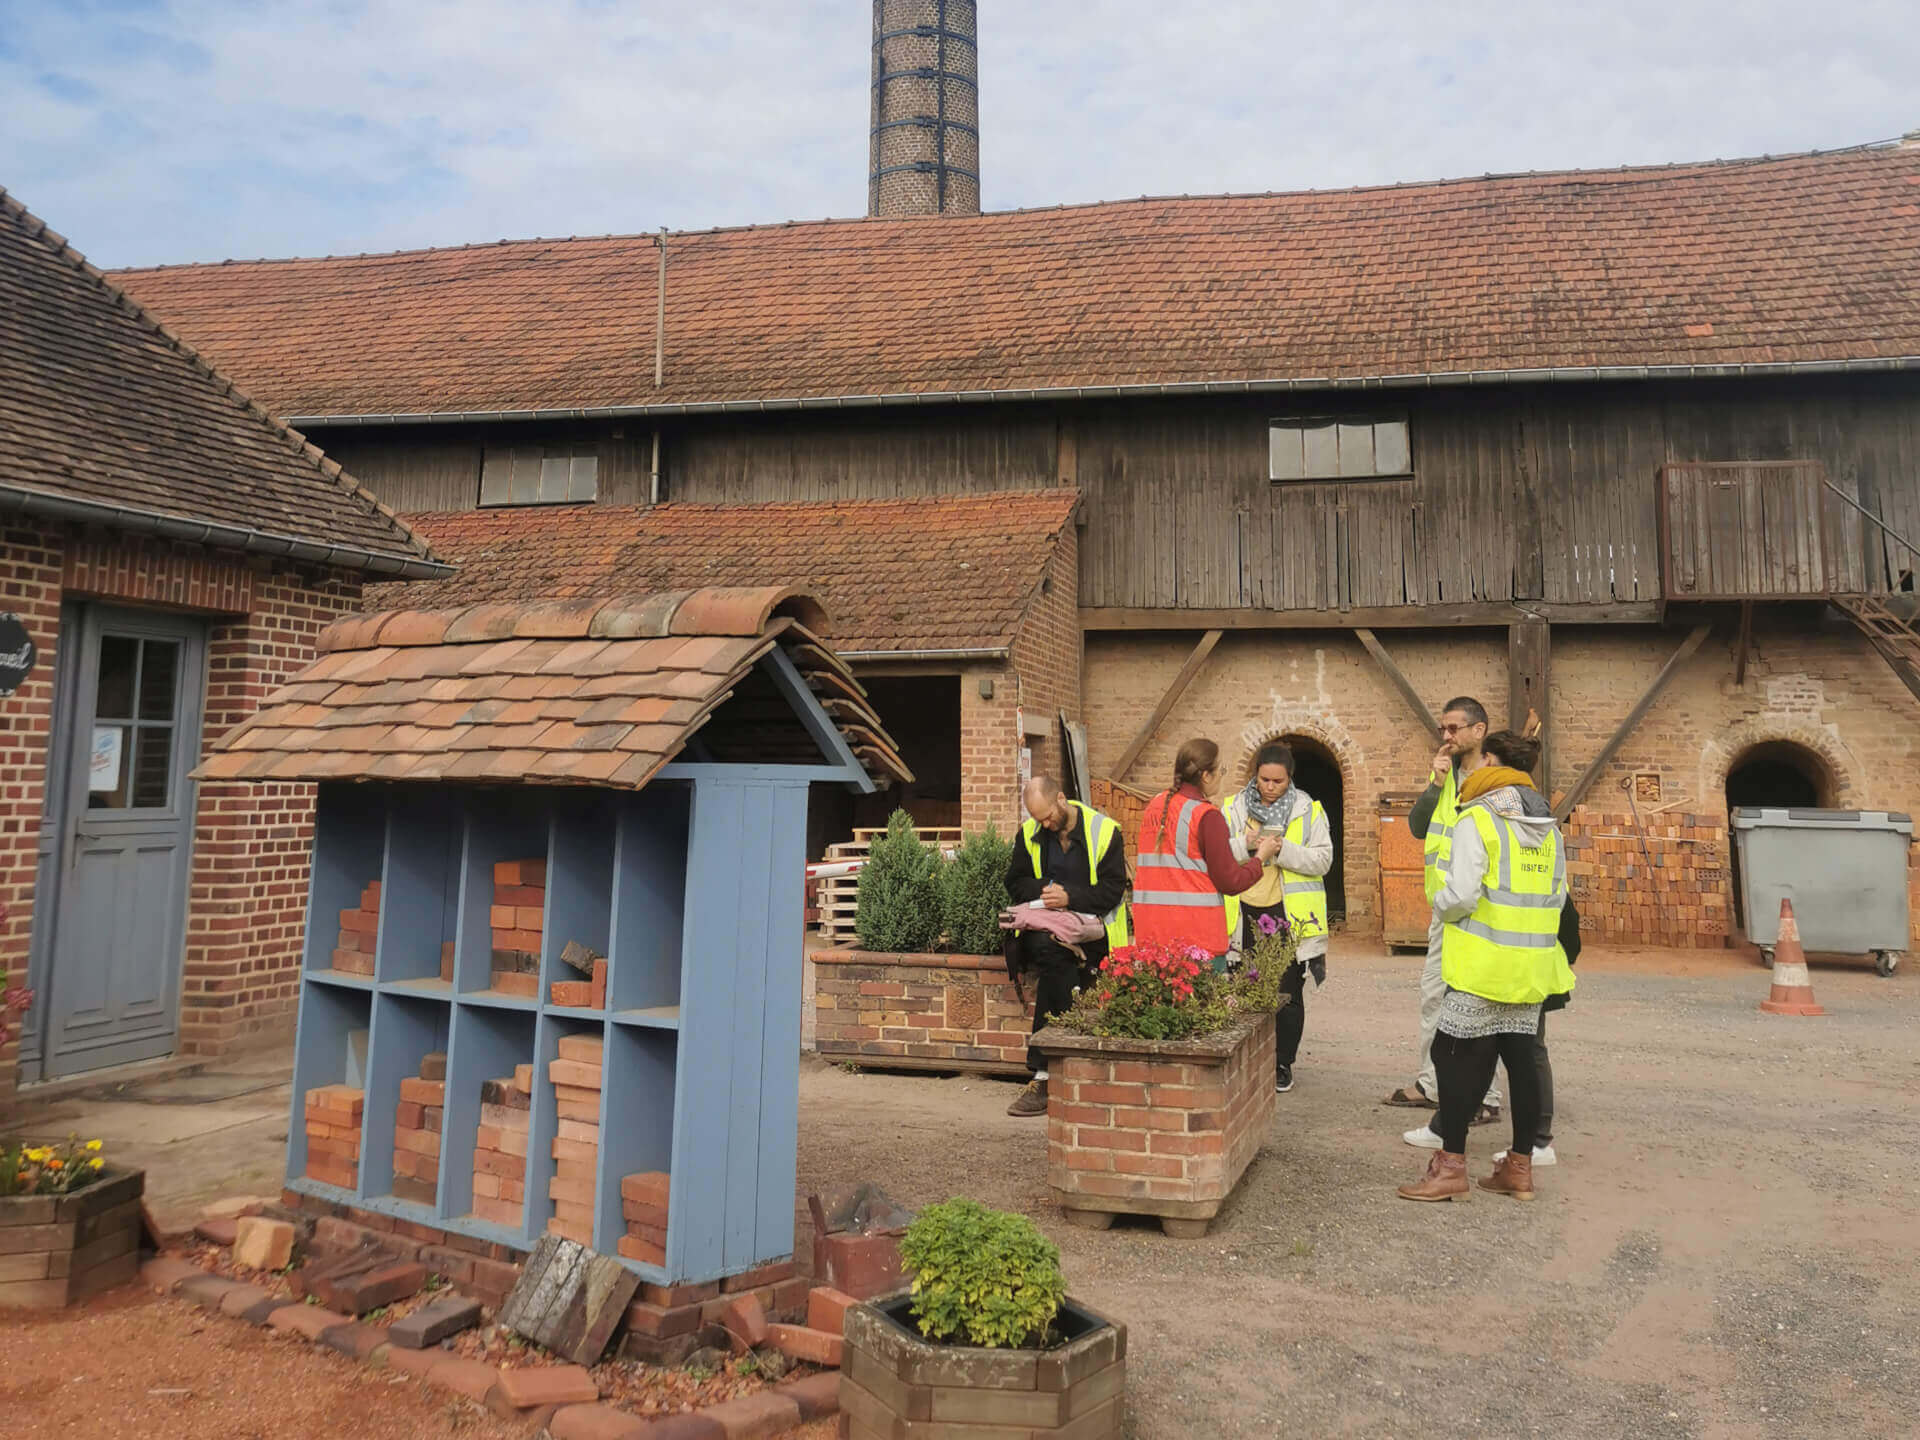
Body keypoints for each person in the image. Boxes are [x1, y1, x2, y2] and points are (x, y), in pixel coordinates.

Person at [1398, 732, 1574, 1202]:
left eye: (1477, 763)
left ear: (1491, 766)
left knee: (1452, 1060)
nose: (1469, 770)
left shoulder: (1479, 818)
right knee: (1522, 1062)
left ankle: (1450, 1166)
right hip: (1532, 968)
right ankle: (1519, 1168)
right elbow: (1558, 897)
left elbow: (1459, 895)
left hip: (1482, 966)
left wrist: (1437, 901)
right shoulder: (1547, 826)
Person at [1387, 696, 1504, 1145]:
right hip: (1445, 909)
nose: (1447, 736)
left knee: (1478, 1003)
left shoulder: (1495, 777)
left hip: (1484, 909)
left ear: (1479, 731)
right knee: (1434, 995)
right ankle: (1432, 1083)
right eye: (1443, 729)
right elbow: (1419, 827)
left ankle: (1486, 1096)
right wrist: (1435, 785)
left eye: (1455, 728)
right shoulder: (1445, 775)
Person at [1002, 776, 1130, 1117]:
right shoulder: (1029, 833)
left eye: (1047, 816)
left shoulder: (1105, 832)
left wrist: (1070, 897)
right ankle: (1047, 1071)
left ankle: (1045, 1074)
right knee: (1052, 952)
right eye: (1037, 818)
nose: (1043, 824)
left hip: (1094, 931)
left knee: (1058, 962)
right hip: (1047, 932)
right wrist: (1048, 890)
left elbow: (1113, 890)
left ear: (1061, 799)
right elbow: (1014, 882)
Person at [1221, 742, 1332, 1093]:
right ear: (1255, 776)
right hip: (1241, 911)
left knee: (1286, 992)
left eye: (1278, 782)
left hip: (1285, 914)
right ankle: (1246, 1060)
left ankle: (1282, 1062)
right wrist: (1247, 843)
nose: (1270, 787)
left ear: (1290, 780)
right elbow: (1219, 855)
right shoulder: (1232, 807)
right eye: (1264, 780)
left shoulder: (1309, 810)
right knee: (1239, 989)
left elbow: (1323, 860)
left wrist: (1284, 850)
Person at [1131, 738, 1280, 969]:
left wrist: (1242, 844)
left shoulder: (1156, 805)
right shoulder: (1207, 815)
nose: (1222, 775)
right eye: (1220, 770)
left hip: (1152, 937)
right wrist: (1260, 857)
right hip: (1196, 943)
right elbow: (1230, 882)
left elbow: (1186, 857)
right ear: (1206, 776)